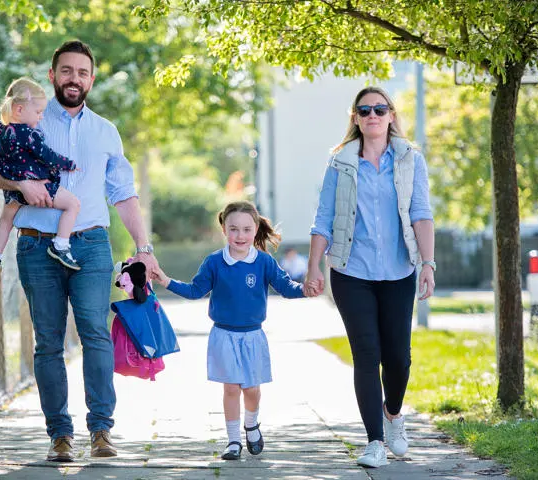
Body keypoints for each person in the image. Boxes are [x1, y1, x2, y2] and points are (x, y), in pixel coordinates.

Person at [0, 40, 159, 463]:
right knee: (48, 343)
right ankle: (59, 435)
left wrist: (144, 248)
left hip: (92, 243)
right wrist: (20, 185)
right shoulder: (28, 118)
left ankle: (101, 431)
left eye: (82, 72)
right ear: (53, 75)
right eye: (67, 71)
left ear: (91, 79)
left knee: (95, 332)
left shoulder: (106, 131)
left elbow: (124, 194)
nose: (74, 78)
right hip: (37, 246)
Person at [306, 86, 435, 468]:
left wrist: (428, 264)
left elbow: (421, 213)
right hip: (351, 270)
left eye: (380, 109)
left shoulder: (411, 159)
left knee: (399, 358)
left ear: (392, 115)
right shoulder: (340, 162)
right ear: (356, 118)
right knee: (367, 354)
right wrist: (313, 266)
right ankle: (374, 441)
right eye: (365, 110)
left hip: (398, 270)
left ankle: (393, 413)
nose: (373, 115)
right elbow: (323, 218)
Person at [153, 201, 313, 460]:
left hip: (253, 336)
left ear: (256, 229)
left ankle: (251, 425)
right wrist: (165, 280)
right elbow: (195, 290)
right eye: (234, 229)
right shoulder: (215, 262)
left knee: (251, 390)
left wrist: (305, 290)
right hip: (223, 335)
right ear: (224, 230)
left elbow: (285, 287)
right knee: (230, 389)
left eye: (247, 229)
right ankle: (233, 440)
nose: (240, 235)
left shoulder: (263, 262)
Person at [0, 77, 82, 284]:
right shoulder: (29, 134)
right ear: (19, 110)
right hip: (39, 185)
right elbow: (47, 155)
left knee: (5, 220)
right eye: (38, 112)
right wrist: (69, 164)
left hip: (13, 187)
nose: (40, 117)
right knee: (73, 204)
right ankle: (61, 245)